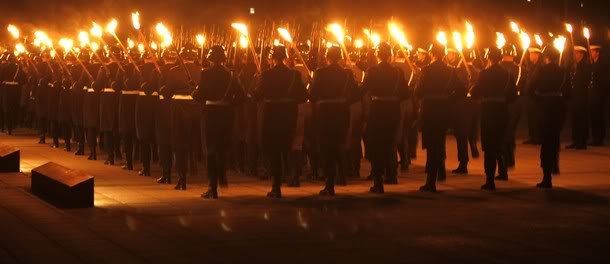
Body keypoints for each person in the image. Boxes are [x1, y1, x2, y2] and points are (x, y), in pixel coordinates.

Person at [254, 44, 307, 198]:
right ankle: (292, 177)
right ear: (284, 57)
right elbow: (304, 97)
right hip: (289, 115)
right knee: (289, 148)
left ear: (272, 57)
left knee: (275, 151)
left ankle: (276, 186)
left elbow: (257, 96)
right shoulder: (294, 75)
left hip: (271, 115)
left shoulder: (266, 75)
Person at [193, 45, 244, 199]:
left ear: (210, 58)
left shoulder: (205, 74)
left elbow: (199, 94)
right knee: (222, 148)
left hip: (210, 115)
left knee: (210, 150)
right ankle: (222, 176)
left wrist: (194, 91)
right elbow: (241, 95)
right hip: (226, 114)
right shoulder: (231, 74)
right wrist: (229, 104)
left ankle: (212, 187)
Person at [309, 45, 360, 196]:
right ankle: (342, 176)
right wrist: (343, 101)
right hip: (342, 112)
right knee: (340, 145)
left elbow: (312, 95)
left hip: (325, 113)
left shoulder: (321, 73)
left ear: (327, 57)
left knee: (327, 148)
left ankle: (329, 183)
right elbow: (356, 95)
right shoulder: (347, 74)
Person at [361, 42, 410, 193]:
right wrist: (393, 98)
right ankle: (392, 175)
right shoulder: (397, 72)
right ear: (389, 55)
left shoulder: (372, 71)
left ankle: (378, 182)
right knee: (391, 144)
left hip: (378, 111)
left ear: (377, 54)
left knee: (377, 146)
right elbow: (405, 93)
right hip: (393, 110)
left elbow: (363, 89)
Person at [416, 43, 464, 192]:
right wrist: (449, 98)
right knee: (439, 142)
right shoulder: (450, 71)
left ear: (431, 54)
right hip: (443, 111)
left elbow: (418, 92)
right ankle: (440, 170)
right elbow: (462, 90)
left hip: (430, 111)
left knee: (431, 146)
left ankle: (431, 181)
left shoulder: (426, 70)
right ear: (443, 54)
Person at [470, 47, 517, 190]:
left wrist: (474, 90)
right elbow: (513, 95)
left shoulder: (484, 73)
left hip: (488, 110)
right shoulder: (508, 74)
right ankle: (503, 172)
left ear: (489, 58)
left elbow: (476, 91)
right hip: (502, 110)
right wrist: (502, 100)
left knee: (489, 145)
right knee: (500, 142)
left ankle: (490, 179)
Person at [529, 46, 569, 188]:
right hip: (558, 106)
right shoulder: (562, 71)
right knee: (554, 137)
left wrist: (538, 99)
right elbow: (568, 90)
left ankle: (547, 176)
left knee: (546, 141)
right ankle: (554, 163)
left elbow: (529, 88)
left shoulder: (542, 70)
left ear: (546, 58)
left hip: (545, 106)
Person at [165, 44, 201, 190]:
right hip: (195, 108)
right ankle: (194, 167)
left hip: (179, 109)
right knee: (193, 141)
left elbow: (167, 92)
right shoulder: (202, 71)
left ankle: (182, 178)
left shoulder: (173, 71)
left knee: (180, 145)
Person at [155, 48, 178, 184]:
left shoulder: (160, 71)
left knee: (164, 142)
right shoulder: (178, 71)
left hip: (163, 107)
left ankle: (166, 173)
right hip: (176, 108)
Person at [136, 50, 160, 177]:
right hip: (156, 103)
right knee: (155, 136)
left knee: (144, 137)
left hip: (143, 104)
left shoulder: (140, 69)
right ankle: (158, 161)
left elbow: (145, 87)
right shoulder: (158, 69)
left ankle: (146, 167)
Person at [98, 45, 123, 166]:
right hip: (119, 99)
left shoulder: (105, 69)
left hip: (108, 99)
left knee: (108, 129)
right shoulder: (124, 68)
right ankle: (117, 151)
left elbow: (98, 84)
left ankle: (110, 155)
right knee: (116, 128)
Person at [499, 44, 520, 170]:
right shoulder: (521, 69)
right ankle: (510, 157)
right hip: (515, 104)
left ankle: (504, 161)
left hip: (501, 103)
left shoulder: (497, 68)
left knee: (501, 133)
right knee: (510, 132)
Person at [566, 46, 591, 150]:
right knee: (575, 119)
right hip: (575, 96)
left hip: (582, 96)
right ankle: (575, 140)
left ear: (581, 54)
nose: (575, 55)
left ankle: (582, 141)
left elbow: (584, 81)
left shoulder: (585, 66)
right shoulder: (575, 66)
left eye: (576, 53)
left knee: (581, 119)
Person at [522, 45, 542, 145]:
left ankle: (537, 137)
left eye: (531, 54)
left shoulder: (539, 66)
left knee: (536, 116)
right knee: (531, 116)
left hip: (535, 95)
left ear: (536, 55)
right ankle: (532, 136)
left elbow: (534, 80)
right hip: (530, 95)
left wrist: (529, 88)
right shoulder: (532, 66)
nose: (530, 56)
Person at [588, 45, 607, 146]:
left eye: (592, 51)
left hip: (599, 94)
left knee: (599, 116)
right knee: (593, 116)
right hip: (592, 94)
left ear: (597, 53)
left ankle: (600, 138)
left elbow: (602, 80)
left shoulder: (601, 64)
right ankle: (595, 137)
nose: (591, 53)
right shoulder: (592, 64)